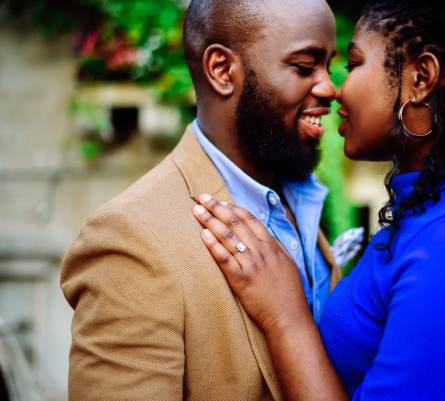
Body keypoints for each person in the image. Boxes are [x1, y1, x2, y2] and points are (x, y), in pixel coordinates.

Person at [193, 1, 445, 400]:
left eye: (354, 64)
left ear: (421, 78)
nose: (335, 89)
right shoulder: (443, 211)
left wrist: (285, 318)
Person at [60, 0, 339, 400]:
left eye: (329, 64)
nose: (330, 87)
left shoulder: (299, 200)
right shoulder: (131, 240)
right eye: (304, 66)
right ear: (222, 70)